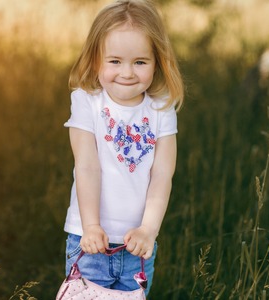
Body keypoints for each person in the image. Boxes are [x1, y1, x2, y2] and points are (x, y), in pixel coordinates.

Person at [63, 0, 184, 296]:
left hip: (138, 245)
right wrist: (91, 226)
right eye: (114, 61)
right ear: (95, 61)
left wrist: (149, 230)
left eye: (140, 62)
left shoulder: (161, 108)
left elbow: (162, 175)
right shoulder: (87, 101)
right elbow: (87, 166)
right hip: (90, 240)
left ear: (157, 62)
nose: (127, 73)